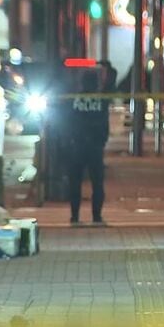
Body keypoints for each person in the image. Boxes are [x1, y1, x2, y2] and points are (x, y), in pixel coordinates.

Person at [67, 70, 109, 224]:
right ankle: (96, 217)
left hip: (77, 145)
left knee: (75, 183)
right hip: (95, 146)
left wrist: (70, 140)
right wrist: (102, 140)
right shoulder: (101, 99)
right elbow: (104, 122)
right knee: (97, 183)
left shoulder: (74, 99)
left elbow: (69, 121)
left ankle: (75, 217)